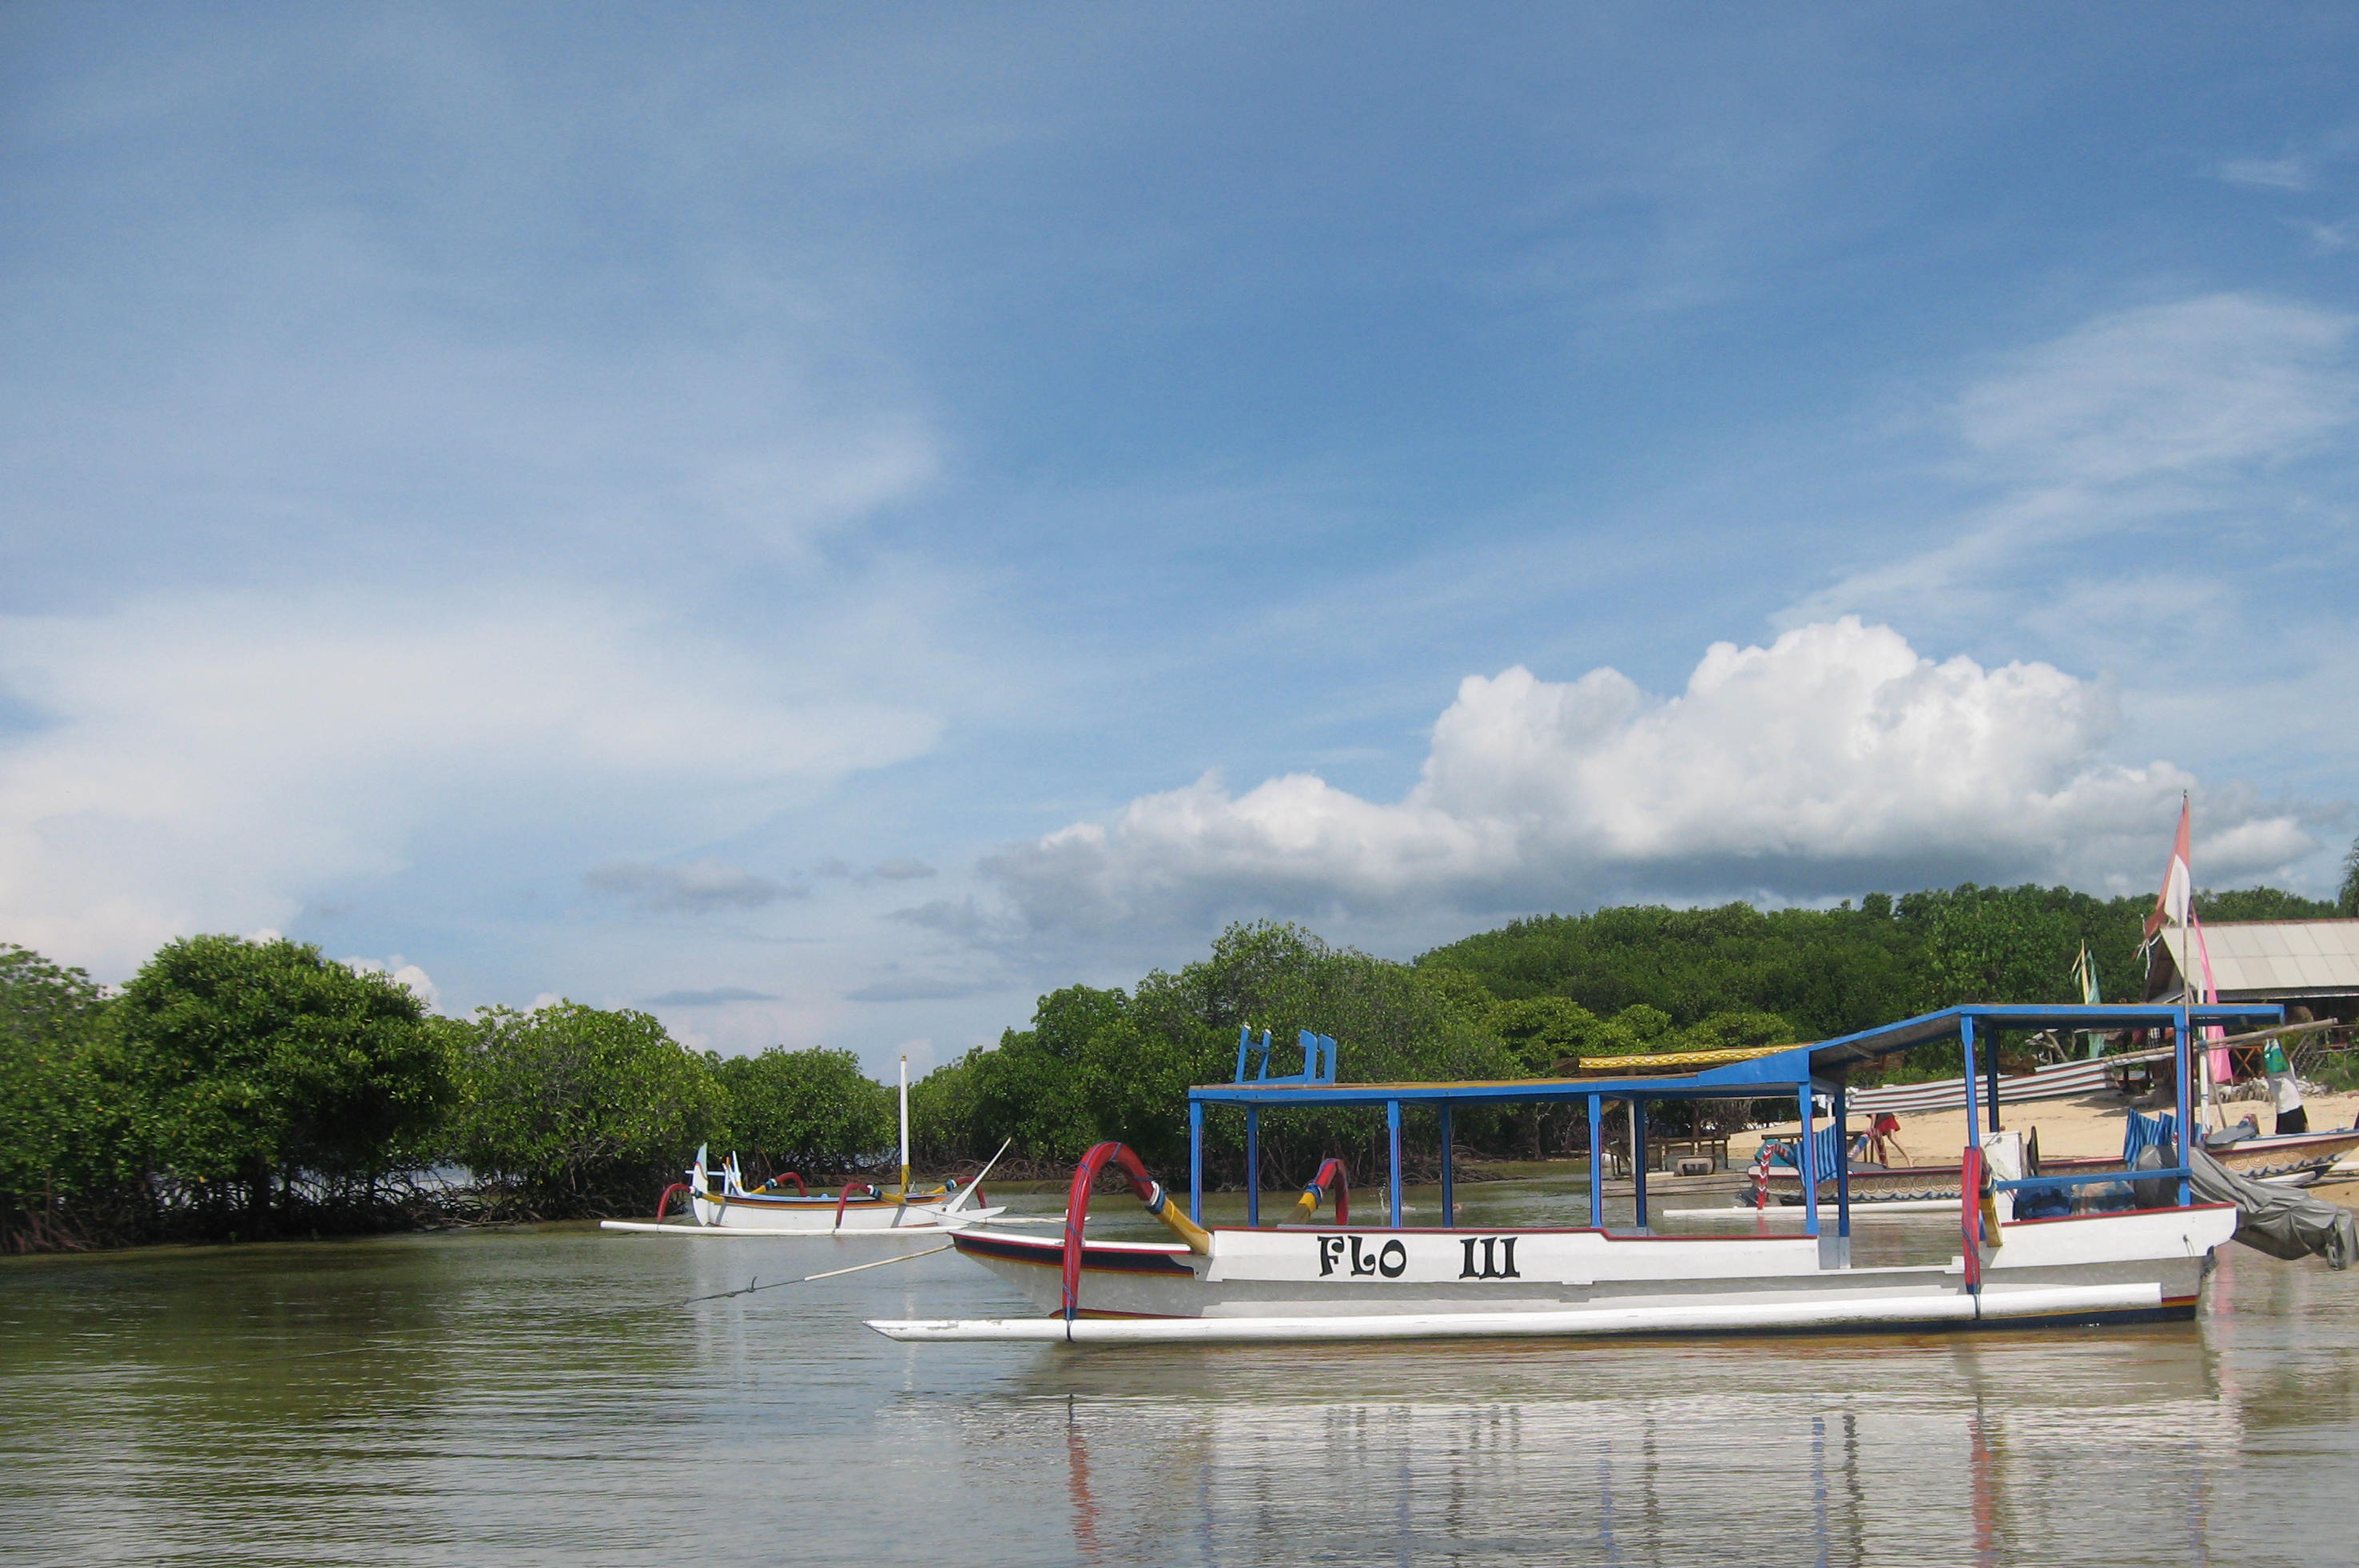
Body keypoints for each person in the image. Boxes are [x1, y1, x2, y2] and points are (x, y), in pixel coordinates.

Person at [2262, 1036, 2309, 1136]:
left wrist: (2278, 1042)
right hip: (2282, 1112)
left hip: (2295, 1109)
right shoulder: (2271, 1076)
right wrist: (2265, 1046)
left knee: (2302, 1134)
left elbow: (2286, 1057)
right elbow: (2264, 1064)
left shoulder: (2288, 1072)